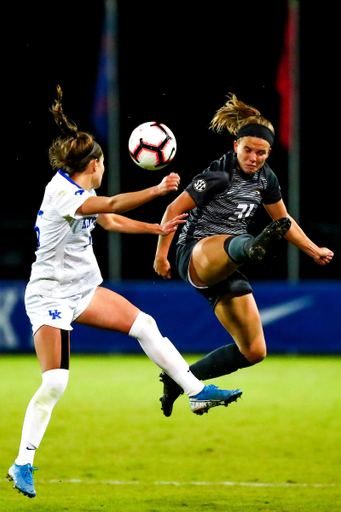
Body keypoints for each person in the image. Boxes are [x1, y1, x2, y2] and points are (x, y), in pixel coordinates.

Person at [7, 87, 242, 499]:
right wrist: (156, 191)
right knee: (56, 382)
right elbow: (113, 203)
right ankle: (22, 463)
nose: (104, 171)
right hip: (49, 298)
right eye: (103, 165)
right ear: (94, 165)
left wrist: (155, 229)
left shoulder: (79, 191)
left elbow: (111, 220)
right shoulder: (63, 193)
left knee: (145, 325)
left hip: (82, 291)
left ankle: (196, 392)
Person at [154, 93, 334, 417]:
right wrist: (161, 256)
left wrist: (312, 250)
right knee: (238, 241)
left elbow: (283, 221)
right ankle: (252, 247)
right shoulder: (218, 174)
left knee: (254, 350)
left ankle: (177, 380)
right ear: (236, 145)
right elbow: (173, 208)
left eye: (261, 152)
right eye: (248, 149)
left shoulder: (267, 179)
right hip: (195, 251)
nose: (253, 157)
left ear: (268, 152)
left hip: (227, 264)